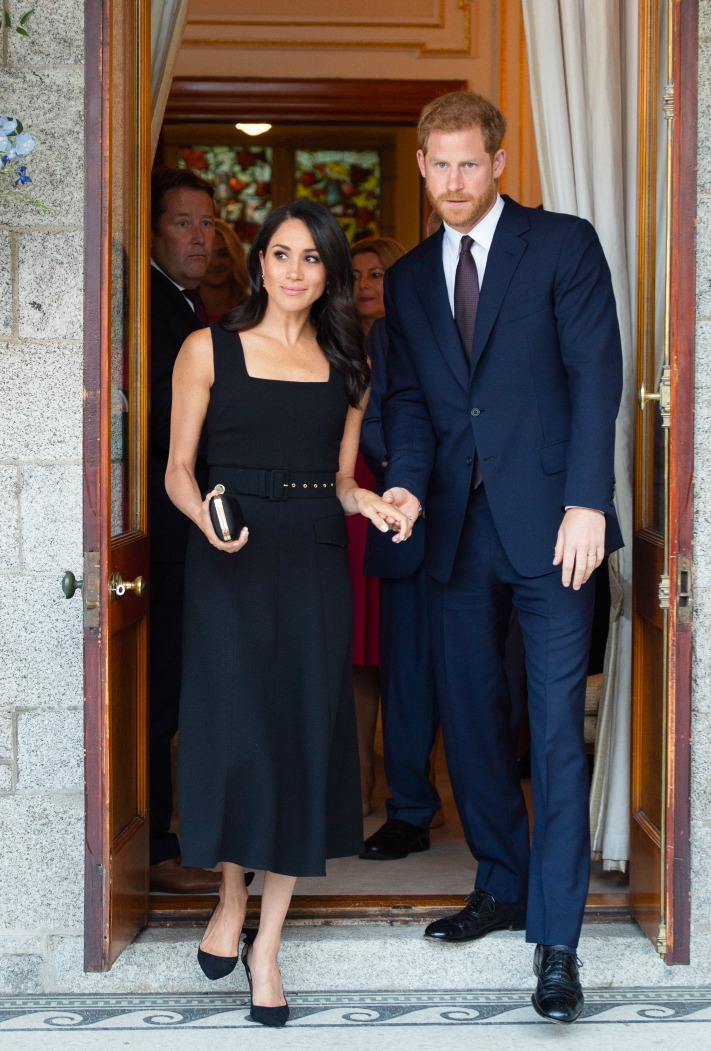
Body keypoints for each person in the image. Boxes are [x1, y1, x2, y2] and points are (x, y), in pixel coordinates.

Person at [381, 92, 623, 1024]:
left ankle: (556, 941)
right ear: (420, 166)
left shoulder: (562, 246)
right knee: (471, 721)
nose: (452, 182)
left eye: (467, 164)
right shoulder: (405, 282)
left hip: (553, 524)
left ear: (500, 162)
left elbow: (595, 373)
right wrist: (403, 483)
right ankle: (502, 880)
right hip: (450, 525)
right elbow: (407, 404)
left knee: (555, 728)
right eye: (437, 165)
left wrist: (588, 503)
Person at [165, 200, 412, 1027]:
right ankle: (230, 897)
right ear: (261, 260)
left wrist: (370, 503)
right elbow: (176, 469)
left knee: (300, 737)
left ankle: (266, 943)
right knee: (238, 738)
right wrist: (206, 518)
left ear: (329, 271)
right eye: (281, 254)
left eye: (311, 258)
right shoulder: (207, 348)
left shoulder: (349, 363)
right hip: (229, 553)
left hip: (312, 556)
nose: (295, 271)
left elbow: (342, 480)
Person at [354, 234, 444, 860]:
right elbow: (376, 421)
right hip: (404, 515)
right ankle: (410, 811)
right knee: (406, 675)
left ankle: (489, 807)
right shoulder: (387, 338)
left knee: (486, 680)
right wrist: (416, 474)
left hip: (486, 522)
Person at [148, 166, 221, 894]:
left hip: (183, 532)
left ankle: (166, 839)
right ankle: (156, 849)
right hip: (162, 535)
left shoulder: (187, 305)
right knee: (159, 693)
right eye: (182, 223)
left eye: (206, 224)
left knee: (173, 690)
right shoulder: (151, 309)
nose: (199, 237)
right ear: (153, 230)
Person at [348, 237, 407, 814]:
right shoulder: (334, 340)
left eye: (379, 273)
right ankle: (360, 771)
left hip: (396, 493)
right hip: (348, 502)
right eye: (357, 274)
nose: (366, 284)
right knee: (356, 648)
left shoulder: (412, 339)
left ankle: (410, 788)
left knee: (399, 649)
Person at [198, 217, 250, 322]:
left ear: (236, 256)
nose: (215, 263)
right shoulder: (177, 308)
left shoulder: (255, 310)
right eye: (206, 254)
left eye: (223, 254)